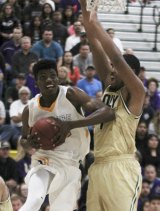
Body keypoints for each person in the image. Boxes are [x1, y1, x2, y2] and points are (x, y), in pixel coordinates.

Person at [19, 59, 115, 211]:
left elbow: (108, 112)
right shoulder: (29, 109)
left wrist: (71, 125)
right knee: (34, 200)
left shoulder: (71, 94)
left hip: (71, 163)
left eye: (52, 75)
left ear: (58, 78)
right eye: (43, 77)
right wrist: (29, 144)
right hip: (44, 159)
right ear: (36, 83)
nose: (49, 80)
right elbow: (23, 140)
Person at [79, 1, 145, 211]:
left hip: (121, 168)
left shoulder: (137, 93)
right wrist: (86, 9)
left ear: (130, 74)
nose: (111, 71)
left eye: (117, 69)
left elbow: (116, 57)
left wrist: (96, 21)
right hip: (97, 166)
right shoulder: (110, 87)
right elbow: (94, 43)